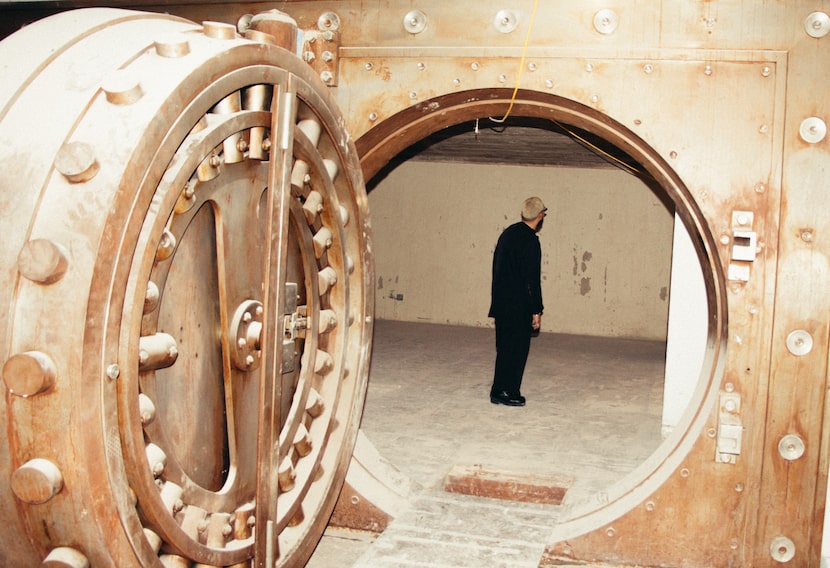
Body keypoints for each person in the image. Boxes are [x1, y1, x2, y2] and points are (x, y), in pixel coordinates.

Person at [488, 196, 547, 406]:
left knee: (504, 348)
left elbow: (496, 268)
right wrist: (536, 309)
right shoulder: (531, 241)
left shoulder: (508, 233)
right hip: (519, 305)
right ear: (540, 215)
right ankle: (510, 391)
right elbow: (532, 279)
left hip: (502, 302)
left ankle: (498, 390)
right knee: (518, 350)